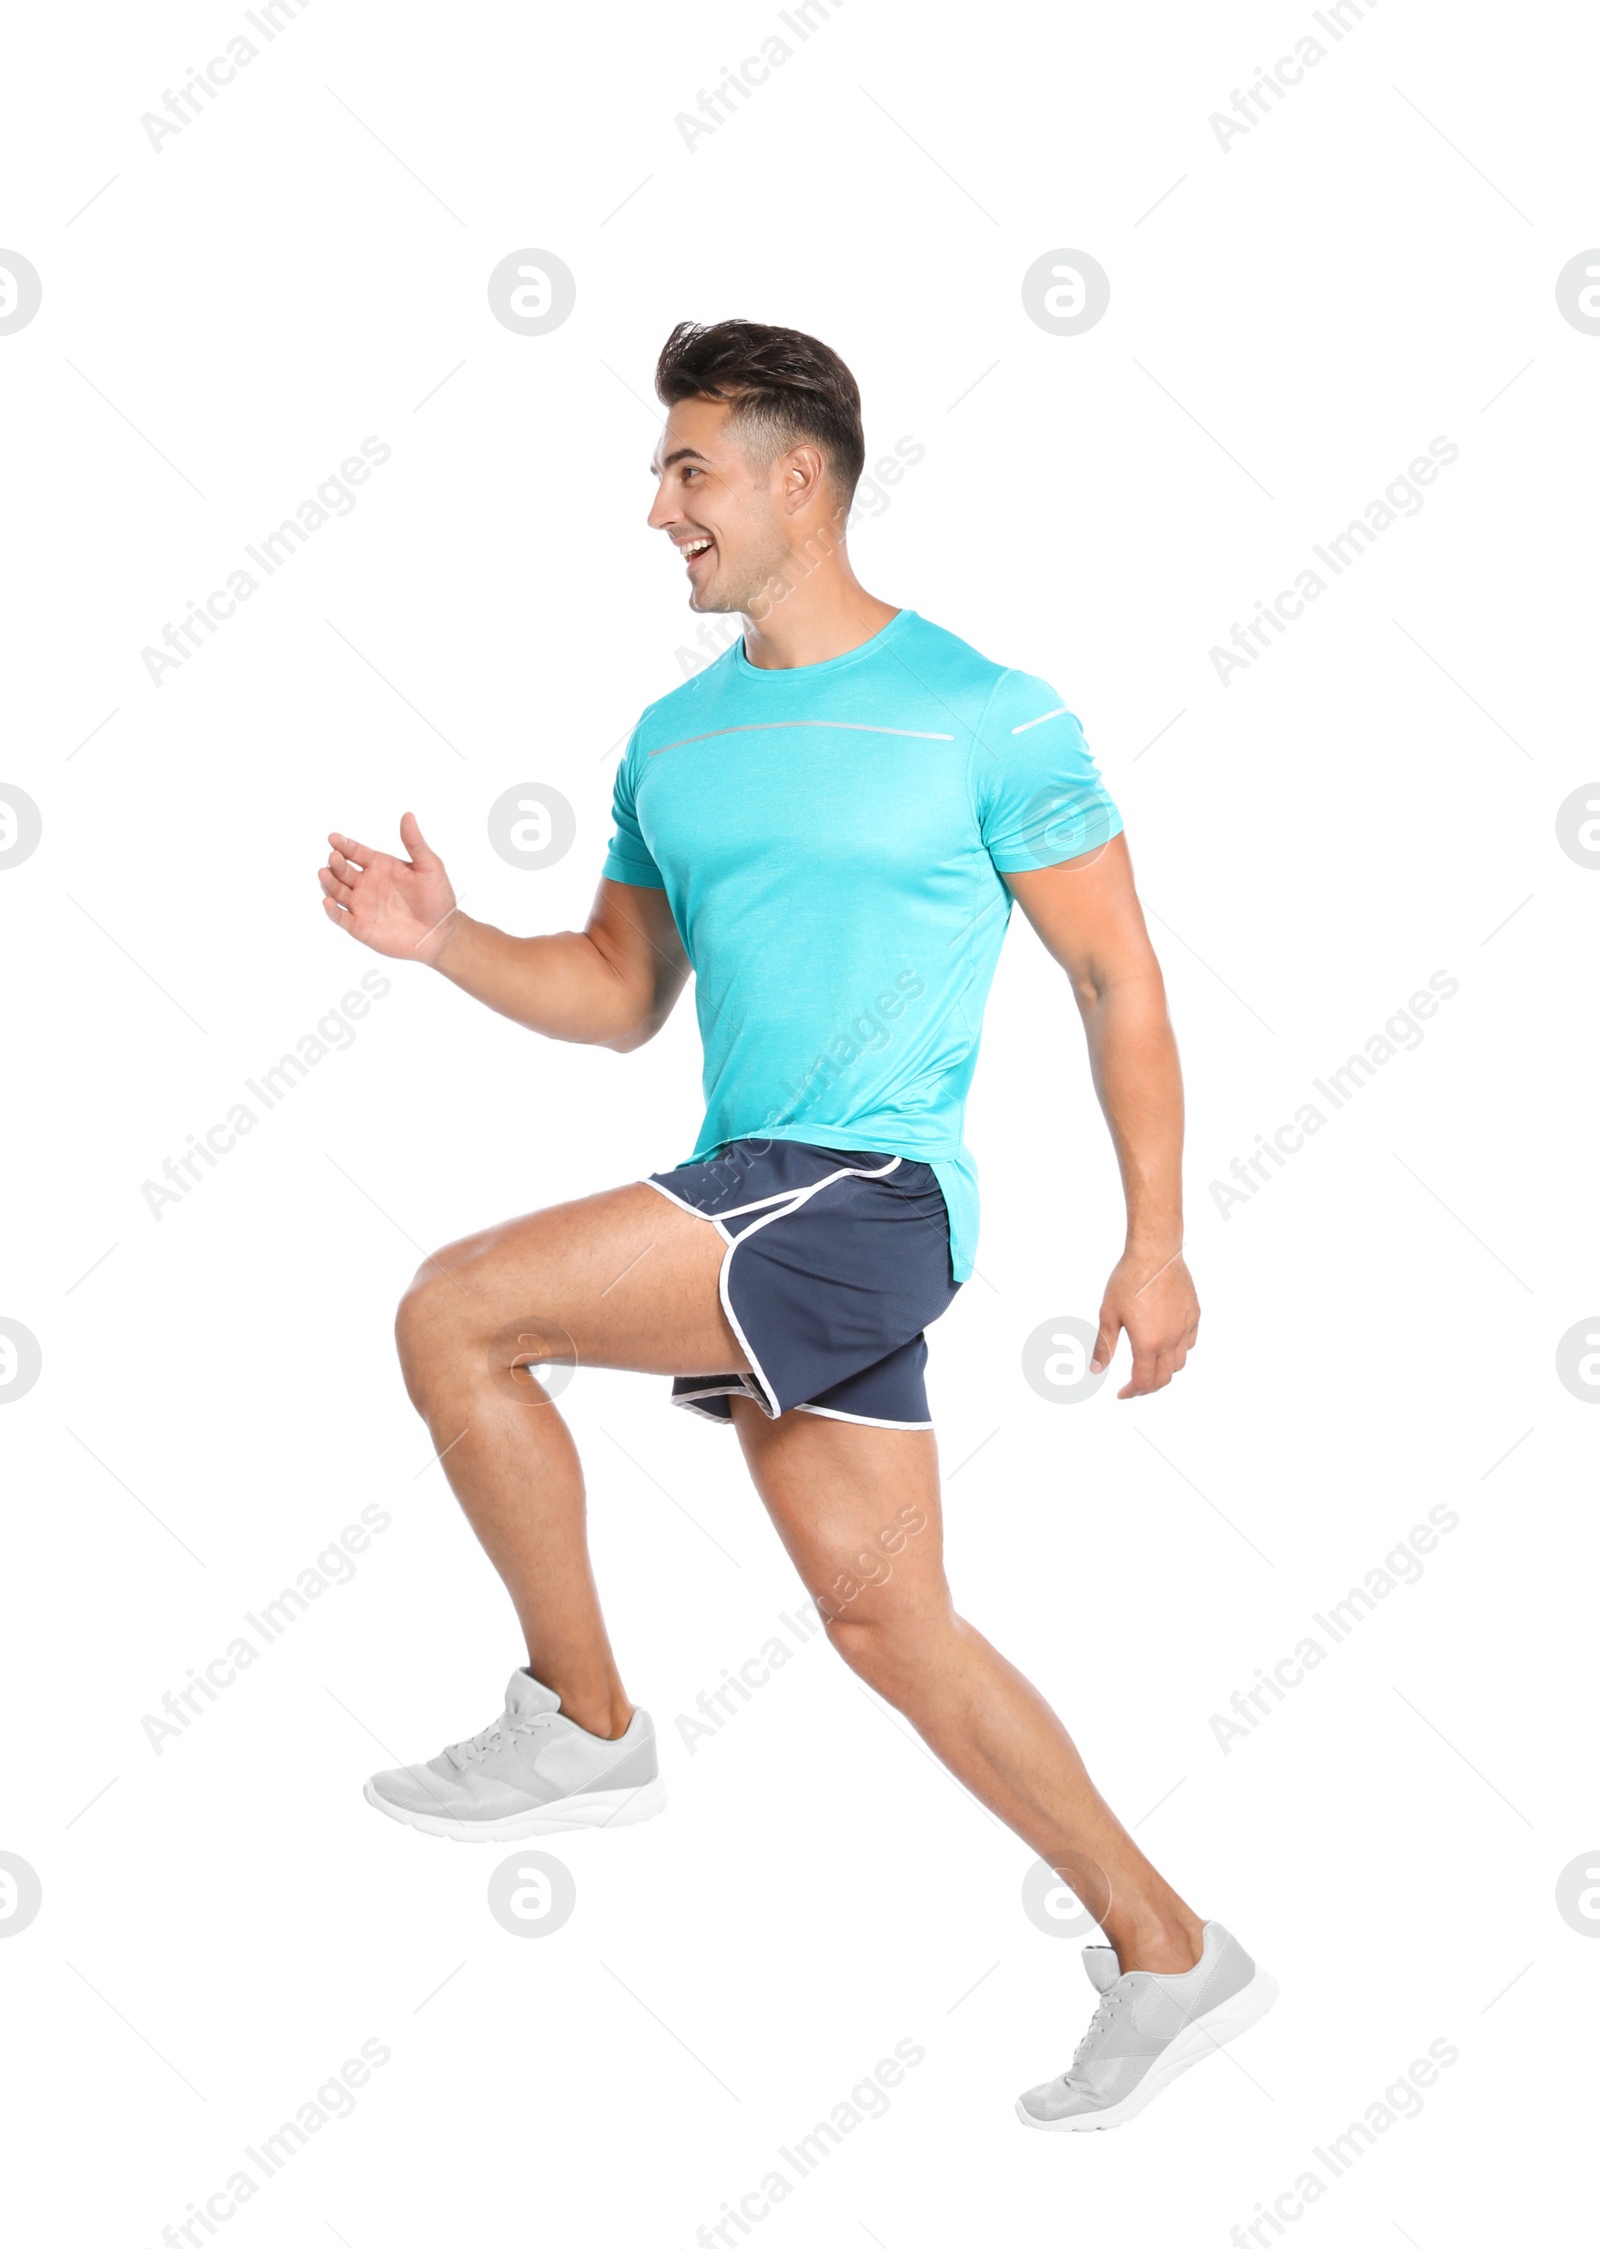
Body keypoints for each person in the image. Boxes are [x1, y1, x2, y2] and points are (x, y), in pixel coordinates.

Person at [316, 317, 1275, 2129]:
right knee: (892, 1624)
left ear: (796, 479)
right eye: (662, 466)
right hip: (763, 1196)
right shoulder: (673, 739)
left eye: (688, 467)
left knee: (458, 1311)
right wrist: (444, 940)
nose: (658, 505)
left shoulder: (989, 710)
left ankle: (585, 1722)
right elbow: (616, 991)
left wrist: (1157, 1235)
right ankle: (1169, 1947)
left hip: (866, 1195)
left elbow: (1115, 976)